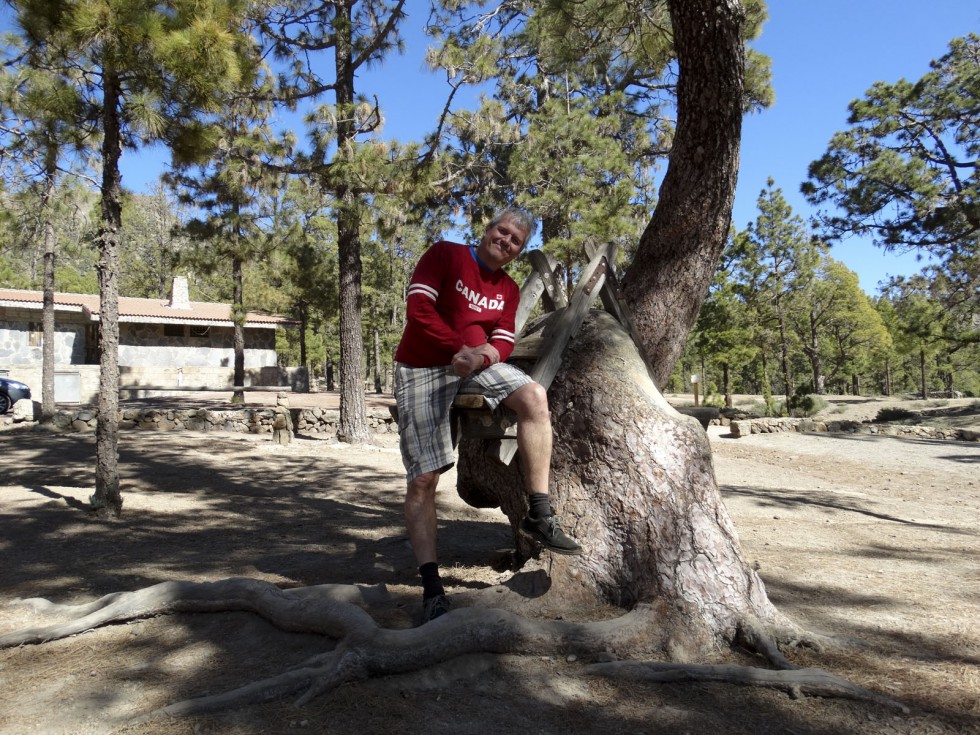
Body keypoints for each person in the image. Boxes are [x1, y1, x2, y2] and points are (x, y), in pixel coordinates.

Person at [393, 208, 583, 625]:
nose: (506, 241)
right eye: (503, 231)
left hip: (475, 365)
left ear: (518, 251)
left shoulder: (508, 290)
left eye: (516, 240)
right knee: (424, 479)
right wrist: (455, 349)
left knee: (534, 396)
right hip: (423, 366)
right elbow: (419, 308)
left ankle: (539, 513)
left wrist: (480, 355)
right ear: (487, 229)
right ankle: (432, 588)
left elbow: (502, 338)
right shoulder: (445, 254)